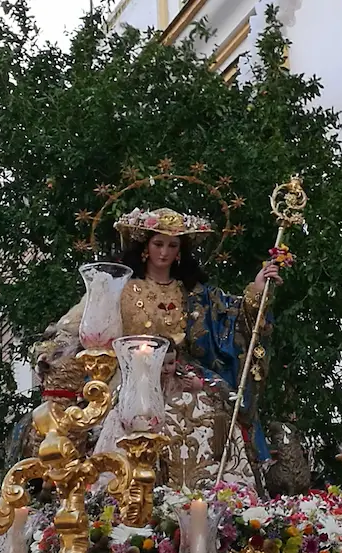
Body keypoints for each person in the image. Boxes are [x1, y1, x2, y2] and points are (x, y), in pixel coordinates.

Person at [104, 207, 281, 488]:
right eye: (158, 244)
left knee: (221, 407)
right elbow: (93, 326)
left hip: (184, 371)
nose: (164, 252)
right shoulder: (123, 289)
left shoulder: (194, 293)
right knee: (121, 417)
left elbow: (231, 317)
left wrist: (257, 290)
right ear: (145, 247)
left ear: (180, 252)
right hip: (135, 375)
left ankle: (218, 492)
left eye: (172, 246)